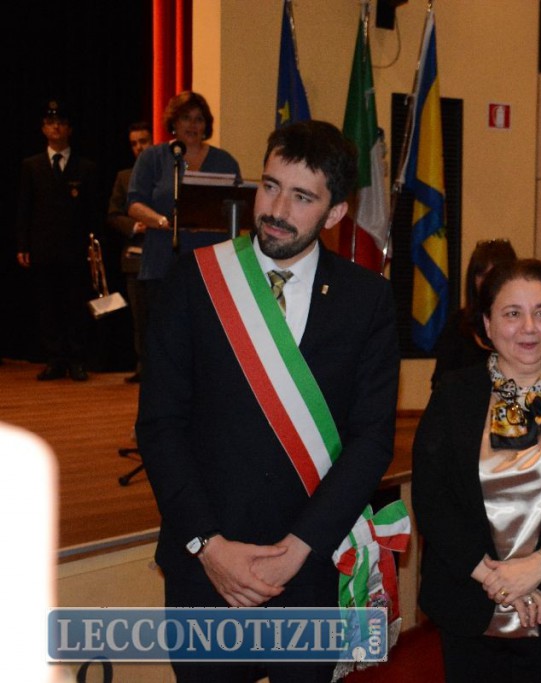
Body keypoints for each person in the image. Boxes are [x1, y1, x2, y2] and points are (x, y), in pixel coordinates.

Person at [136, 120, 400, 682]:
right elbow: (159, 425)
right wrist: (208, 546)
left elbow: (372, 439)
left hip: (309, 569)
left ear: (335, 212)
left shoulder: (367, 301)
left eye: (302, 197)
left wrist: (299, 549)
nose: (277, 209)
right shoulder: (197, 280)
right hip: (206, 568)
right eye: (271, 186)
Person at [413, 258, 541, 683]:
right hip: (470, 603)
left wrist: (539, 566)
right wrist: (497, 580)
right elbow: (432, 501)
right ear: (487, 325)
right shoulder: (454, 393)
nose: (529, 328)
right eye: (512, 313)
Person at [127, 91, 241, 307]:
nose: (193, 125)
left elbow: (236, 208)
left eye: (199, 119)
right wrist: (163, 222)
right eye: (186, 118)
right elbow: (134, 204)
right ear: (174, 122)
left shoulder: (225, 161)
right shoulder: (152, 157)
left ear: (206, 125)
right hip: (163, 262)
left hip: (212, 264)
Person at [15, 99, 101, 382]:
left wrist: (93, 247)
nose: (56, 128)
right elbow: (24, 208)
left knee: (76, 305)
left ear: (69, 129)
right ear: (43, 129)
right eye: (51, 123)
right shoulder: (32, 165)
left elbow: (93, 212)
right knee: (47, 306)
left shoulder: (85, 167)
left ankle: (77, 359)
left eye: (61, 123)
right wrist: (23, 244)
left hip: (75, 249)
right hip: (43, 247)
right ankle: (54, 359)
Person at [430, 238, 517, 388]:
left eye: (494, 274)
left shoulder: (525, 326)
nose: (487, 281)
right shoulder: (457, 324)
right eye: (481, 274)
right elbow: (440, 383)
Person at [105, 120, 153, 383]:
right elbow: (113, 215)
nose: (138, 147)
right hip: (135, 256)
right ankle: (143, 366)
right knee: (140, 318)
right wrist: (135, 225)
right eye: (134, 144)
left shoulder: (165, 173)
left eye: (143, 141)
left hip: (164, 254)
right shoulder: (124, 177)